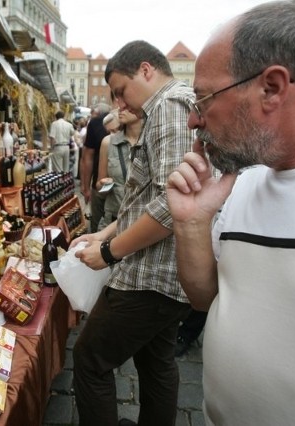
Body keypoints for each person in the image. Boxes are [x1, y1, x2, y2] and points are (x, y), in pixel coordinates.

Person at [166, 2, 295, 425]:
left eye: (204, 98)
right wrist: (191, 225)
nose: (193, 120)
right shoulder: (247, 175)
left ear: (272, 88)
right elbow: (207, 296)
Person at [71, 40, 195, 426]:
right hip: (167, 276)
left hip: (151, 276)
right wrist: (103, 234)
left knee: (90, 360)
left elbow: (170, 206)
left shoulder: (171, 106)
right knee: (156, 362)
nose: (120, 105)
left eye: (121, 91)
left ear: (145, 70)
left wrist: (108, 253)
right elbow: (141, 201)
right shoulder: (164, 107)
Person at [95, 108, 142, 231]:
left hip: (142, 222)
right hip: (113, 219)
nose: (121, 107)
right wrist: (105, 185)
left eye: (126, 105)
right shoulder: (108, 142)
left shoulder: (151, 140)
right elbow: (99, 187)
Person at [80, 103, 111, 232]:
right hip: (100, 186)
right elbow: (88, 157)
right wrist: (86, 187)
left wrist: (85, 187)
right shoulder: (96, 123)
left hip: (118, 188)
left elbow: (87, 157)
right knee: (98, 225)